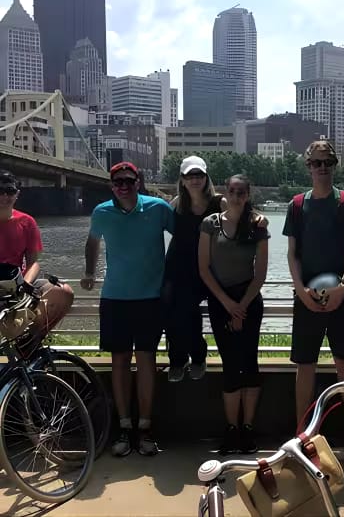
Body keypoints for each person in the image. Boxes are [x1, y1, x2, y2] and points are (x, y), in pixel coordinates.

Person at [282, 140, 344, 457]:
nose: (322, 168)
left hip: (342, 295)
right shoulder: (296, 206)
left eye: (328, 162)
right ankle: (302, 433)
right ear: (308, 166)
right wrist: (300, 290)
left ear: (335, 165)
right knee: (305, 364)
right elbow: (292, 254)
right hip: (307, 296)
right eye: (316, 162)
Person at [80, 161, 174, 457]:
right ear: (112, 186)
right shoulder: (101, 212)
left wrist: (174, 275)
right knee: (119, 361)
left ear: (138, 182)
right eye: (117, 182)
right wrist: (89, 272)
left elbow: (185, 236)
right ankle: (123, 427)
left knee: (146, 360)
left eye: (128, 181)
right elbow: (92, 242)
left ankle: (145, 428)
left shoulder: (158, 208)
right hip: (114, 298)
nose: (123, 186)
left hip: (150, 298)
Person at [198, 174, 269, 454]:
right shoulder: (210, 224)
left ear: (248, 194)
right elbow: (204, 269)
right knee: (230, 364)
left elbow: (260, 273)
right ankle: (231, 429)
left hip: (249, 300)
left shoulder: (257, 226)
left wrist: (242, 306)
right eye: (232, 191)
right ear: (225, 193)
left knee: (249, 363)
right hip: (220, 301)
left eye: (242, 192)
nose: (237, 196)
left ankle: (248, 427)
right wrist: (228, 305)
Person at [164, 156, 223, 382]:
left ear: (206, 177)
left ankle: (198, 356)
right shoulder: (176, 205)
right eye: (190, 176)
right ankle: (177, 360)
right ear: (182, 179)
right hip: (178, 266)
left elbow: (244, 217)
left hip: (207, 268)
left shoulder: (219, 203)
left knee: (187, 307)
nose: (195, 180)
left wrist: (258, 221)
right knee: (171, 306)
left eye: (199, 175)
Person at [0, 169, 73, 327]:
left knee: (63, 292)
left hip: (16, 284)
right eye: (0, 191)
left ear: (17, 194)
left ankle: (30, 339)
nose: (4, 197)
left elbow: (33, 262)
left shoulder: (27, 222)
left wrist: (25, 284)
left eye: (9, 191)